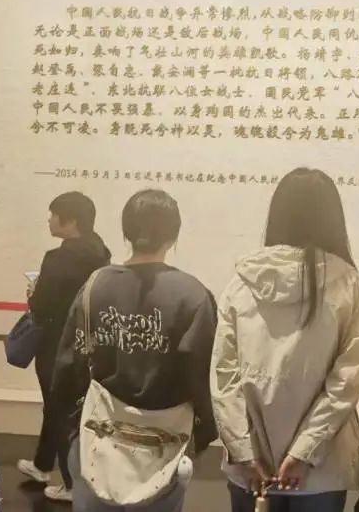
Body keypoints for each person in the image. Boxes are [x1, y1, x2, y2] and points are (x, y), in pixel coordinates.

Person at [212, 168, 359, 512]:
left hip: (251, 471)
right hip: (320, 471)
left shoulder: (241, 283)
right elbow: (348, 380)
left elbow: (224, 379)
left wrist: (244, 452)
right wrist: (304, 452)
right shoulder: (347, 284)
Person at [52, 189, 218, 512]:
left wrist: (72, 431)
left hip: (98, 439)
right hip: (164, 446)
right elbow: (201, 378)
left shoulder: (95, 285)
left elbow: (67, 369)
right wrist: (202, 435)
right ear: (173, 236)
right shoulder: (193, 295)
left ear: (126, 232)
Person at [17, 191, 111, 503]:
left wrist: (33, 292)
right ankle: (42, 464)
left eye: (53, 214)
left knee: (58, 410)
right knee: (62, 406)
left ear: (70, 221)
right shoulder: (101, 253)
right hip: (90, 343)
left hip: (56, 342)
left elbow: (41, 305)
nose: (49, 219)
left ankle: (71, 484)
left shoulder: (57, 259)